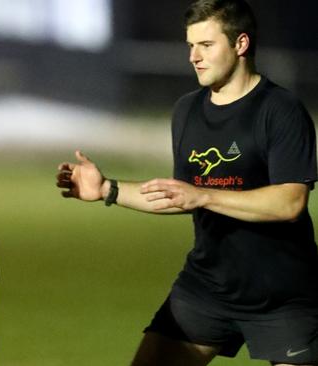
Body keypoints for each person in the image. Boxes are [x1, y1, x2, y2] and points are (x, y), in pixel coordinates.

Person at [56, 1, 318, 365]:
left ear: (240, 44)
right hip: (206, 289)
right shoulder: (187, 111)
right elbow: (181, 197)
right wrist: (107, 189)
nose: (194, 56)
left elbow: (290, 203)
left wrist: (204, 195)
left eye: (206, 45)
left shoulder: (281, 110)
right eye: (190, 46)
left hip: (283, 298)